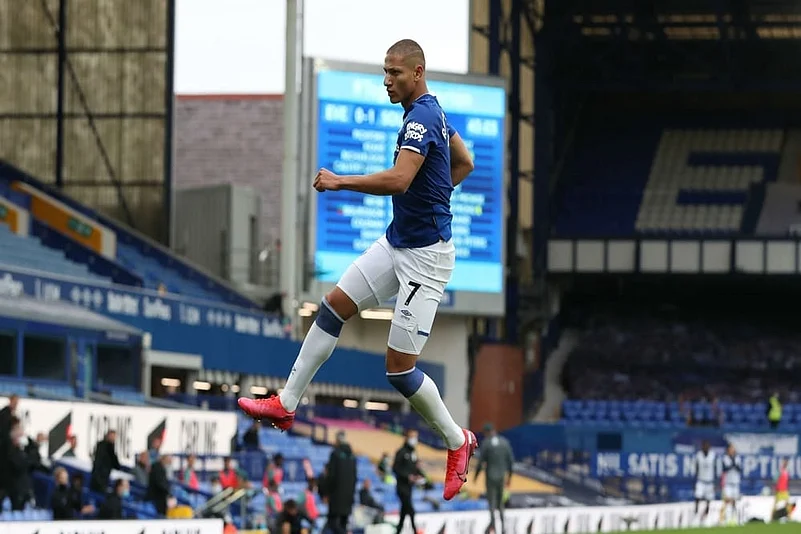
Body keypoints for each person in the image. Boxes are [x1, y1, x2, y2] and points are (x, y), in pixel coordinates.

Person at [237, 38, 478, 501]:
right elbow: (464, 162)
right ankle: (286, 403)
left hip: (425, 259)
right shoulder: (433, 112)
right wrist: (436, 196)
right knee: (331, 307)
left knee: (399, 372)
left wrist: (340, 180)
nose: (386, 81)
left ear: (418, 72)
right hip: (397, 241)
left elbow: (400, 180)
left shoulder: (422, 118)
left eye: (395, 72)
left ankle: (456, 440)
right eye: (384, 71)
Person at [476, 423, 514, 534]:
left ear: (487, 432)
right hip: (501, 476)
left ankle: (493, 528)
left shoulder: (486, 443)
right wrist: (509, 477)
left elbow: (481, 461)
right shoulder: (504, 442)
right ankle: (503, 528)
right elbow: (510, 461)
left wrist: (476, 476)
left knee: (491, 503)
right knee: (500, 502)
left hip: (490, 477)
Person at [322, 431, 357, 534]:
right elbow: (355, 478)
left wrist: (326, 493)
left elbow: (331, 476)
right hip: (348, 497)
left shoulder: (335, 454)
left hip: (336, 497)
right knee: (343, 524)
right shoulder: (352, 457)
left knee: (332, 523)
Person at [393, 429, 424, 534]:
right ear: (406, 438)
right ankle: (415, 531)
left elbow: (414, 468)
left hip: (409, 488)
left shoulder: (413, 452)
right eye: (412, 437)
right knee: (411, 511)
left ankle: (398, 531)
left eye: (415, 437)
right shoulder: (401, 452)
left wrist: (419, 475)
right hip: (402, 488)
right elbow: (395, 468)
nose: (414, 439)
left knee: (403, 513)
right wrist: (408, 477)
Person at [693, 440, 716, 524]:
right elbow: (696, 468)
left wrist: (715, 482)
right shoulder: (699, 455)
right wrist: (695, 481)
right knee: (697, 497)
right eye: (704, 446)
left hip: (710, 481)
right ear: (702, 447)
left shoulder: (712, 455)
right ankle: (695, 515)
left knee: (708, 500)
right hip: (701, 481)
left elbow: (715, 468)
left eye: (707, 446)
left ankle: (706, 516)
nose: (706, 447)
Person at [719, 444, 741, 526]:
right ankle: (722, 519)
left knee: (734, 501)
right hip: (728, 483)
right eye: (731, 449)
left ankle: (734, 518)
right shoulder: (725, 458)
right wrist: (732, 464)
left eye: (733, 449)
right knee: (727, 500)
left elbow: (739, 469)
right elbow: (725, 469)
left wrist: (734, 464)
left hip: (735, 482)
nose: (732, 450)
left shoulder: (737, 458)